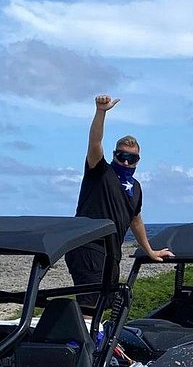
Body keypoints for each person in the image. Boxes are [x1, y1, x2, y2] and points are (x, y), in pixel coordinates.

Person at [67, 95, 173, 307]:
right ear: (114, 155)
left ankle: (92, 329)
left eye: (131, 158)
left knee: (105, 303)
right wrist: (101, 112)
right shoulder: (100, 172)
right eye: (121, 156)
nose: (125, 162)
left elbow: (135, 219)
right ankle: (79, 330)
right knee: (90, 304)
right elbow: (95, 142)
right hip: (88, 246)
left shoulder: (136, 187)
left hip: (112, 252)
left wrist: (150, 250)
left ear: (137, 161)